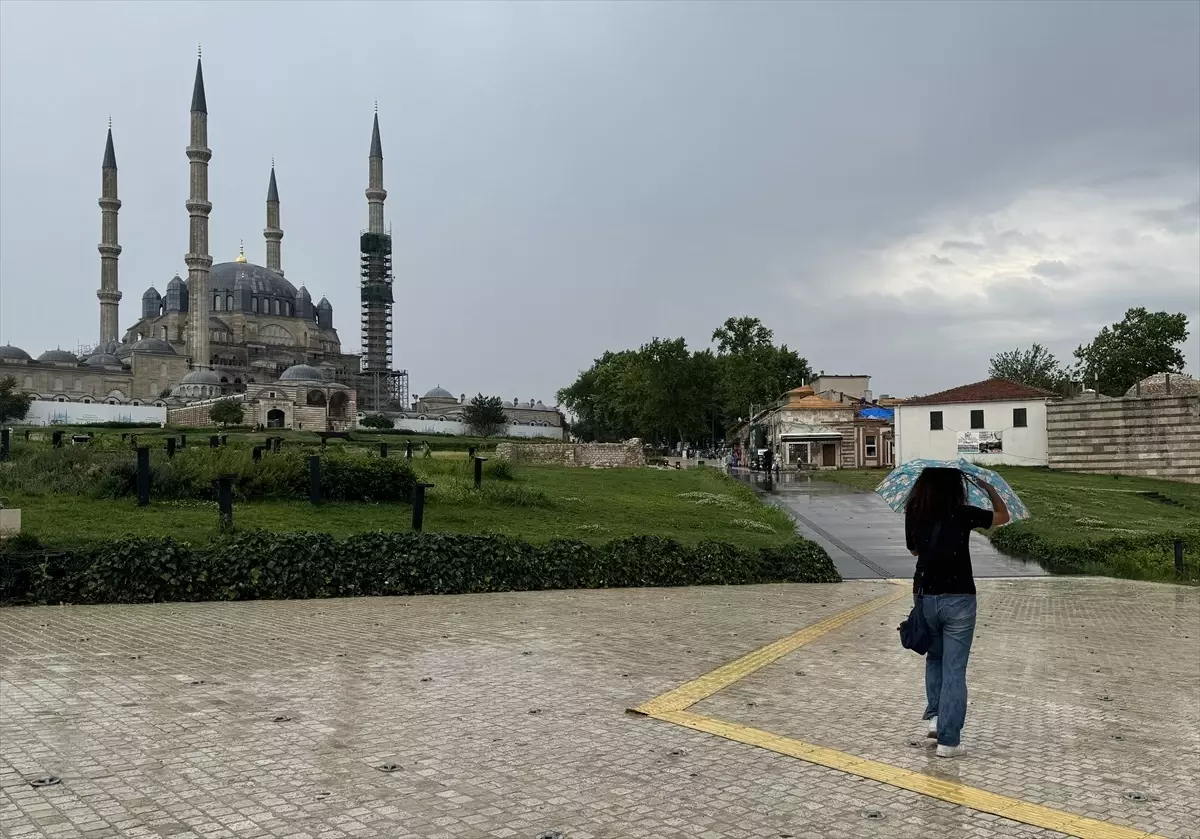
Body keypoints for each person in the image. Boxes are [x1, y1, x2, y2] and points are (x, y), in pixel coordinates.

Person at [905, 467, 1010, 758]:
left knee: (935, 658)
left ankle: (937, 722)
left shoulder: (914, 510)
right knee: (954, 668)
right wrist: (989, 489)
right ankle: (949, 742)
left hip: (925, 596)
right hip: (959, 598)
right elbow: (1003, 517)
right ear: (955, 486)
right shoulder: (963, 513)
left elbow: (914, 551)